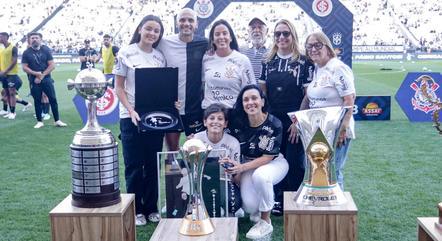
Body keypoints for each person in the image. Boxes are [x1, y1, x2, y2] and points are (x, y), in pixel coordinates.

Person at [113, 14, 166, 226]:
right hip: (130, 117)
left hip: (154, 119)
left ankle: (151, 208)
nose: (152, 33)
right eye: (149, 29)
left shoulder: (160, 56)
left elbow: (161, 87)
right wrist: (131, 110)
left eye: (156, 31)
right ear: (140, 29)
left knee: (152, 164)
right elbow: (119, 87)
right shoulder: (126, 53)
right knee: (134, 165)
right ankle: (137, 210)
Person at [259, 19, 314, 215]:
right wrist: (266, 120)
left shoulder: (305, 61)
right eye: (277, 34)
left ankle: (294, 200)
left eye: (286, 33)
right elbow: (263, 92)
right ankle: (277, 200)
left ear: (293, 36)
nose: (281, 37)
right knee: (273, 159)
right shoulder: (268, 61)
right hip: (273, 120)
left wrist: (297, 120)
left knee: (293, 160)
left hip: (294, 120)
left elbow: (308, 95)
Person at [227, 85, 288, 240]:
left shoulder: (274, 123)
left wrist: (241, 168)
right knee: (249, 206)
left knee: (261, 176)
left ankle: (266, 222)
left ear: (262, 101)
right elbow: (216, 122)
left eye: (254, 98)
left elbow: (267, 158)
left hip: (273, 163)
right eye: (245, 99)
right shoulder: (236, 121)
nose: (250, 102)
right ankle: (258, 212)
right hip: (248, 163)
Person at [300, 31, 356, 190]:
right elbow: (310, 97)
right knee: (320, 172)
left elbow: (349, 99)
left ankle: (337, 212)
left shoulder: (337, 68)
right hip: (319, 130)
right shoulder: (318, 68)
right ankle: (322, 208)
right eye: (309, 46)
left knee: (333, 171)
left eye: (317, 45)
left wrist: (342, 129)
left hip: (336, 130)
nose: (313, 49)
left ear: (327, 47)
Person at [157, 8, 208, 151]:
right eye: (182, 20)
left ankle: (195, 174)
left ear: (196, 24)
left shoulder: (205, 43)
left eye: (190, 20)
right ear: (177, 23)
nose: (186, 23)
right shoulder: (164, 42)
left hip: (195, 108)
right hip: (172, 108)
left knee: (197, 150)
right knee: (171, 151)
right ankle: (173, 173)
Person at [193, 103, 242, 216]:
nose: (215, 121)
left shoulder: (233, 142)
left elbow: (237, 178)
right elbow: (190, 167)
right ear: (205, 122)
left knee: (234, 204)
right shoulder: (197, 139)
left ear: (225, 124)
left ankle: (227, 207)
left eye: (220, 119)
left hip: (224, 181)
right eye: (211, 118)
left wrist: (231, 167)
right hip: (202, 182)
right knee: (203, 207)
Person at [202, 19, 256, 111]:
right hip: (210, 115)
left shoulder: (242, 60)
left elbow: (251, 90)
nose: (221, 37)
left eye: (225, 33)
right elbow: (203, 85)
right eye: (217, 34)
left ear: (231, 37)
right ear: (212, 39)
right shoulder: (206, 58)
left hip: (233, 113)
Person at [21, 32, 67, 128]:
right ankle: (39, 121)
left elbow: (52, 65)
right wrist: (36, 74)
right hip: (33, 80)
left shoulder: (46, 49)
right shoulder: (26, 52)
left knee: (52, 99)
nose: (34, 39)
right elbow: (24, 67)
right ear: (29, 40)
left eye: (36, 38)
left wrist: (42, 75)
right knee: (37, 100)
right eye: (32, 38)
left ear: (40, 39)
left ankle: (57, 120)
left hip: (46, 78)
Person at [0, 32, 23, 120]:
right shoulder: (2, 49)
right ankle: (9, 111)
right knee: (7, 93)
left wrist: (5, 71)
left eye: (1, 37)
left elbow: (14, 61)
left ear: (6, 37)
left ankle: (13, 112)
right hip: (4, 75)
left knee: (12, 93)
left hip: (11, 74)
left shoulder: (13, 48)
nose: (0, 39)